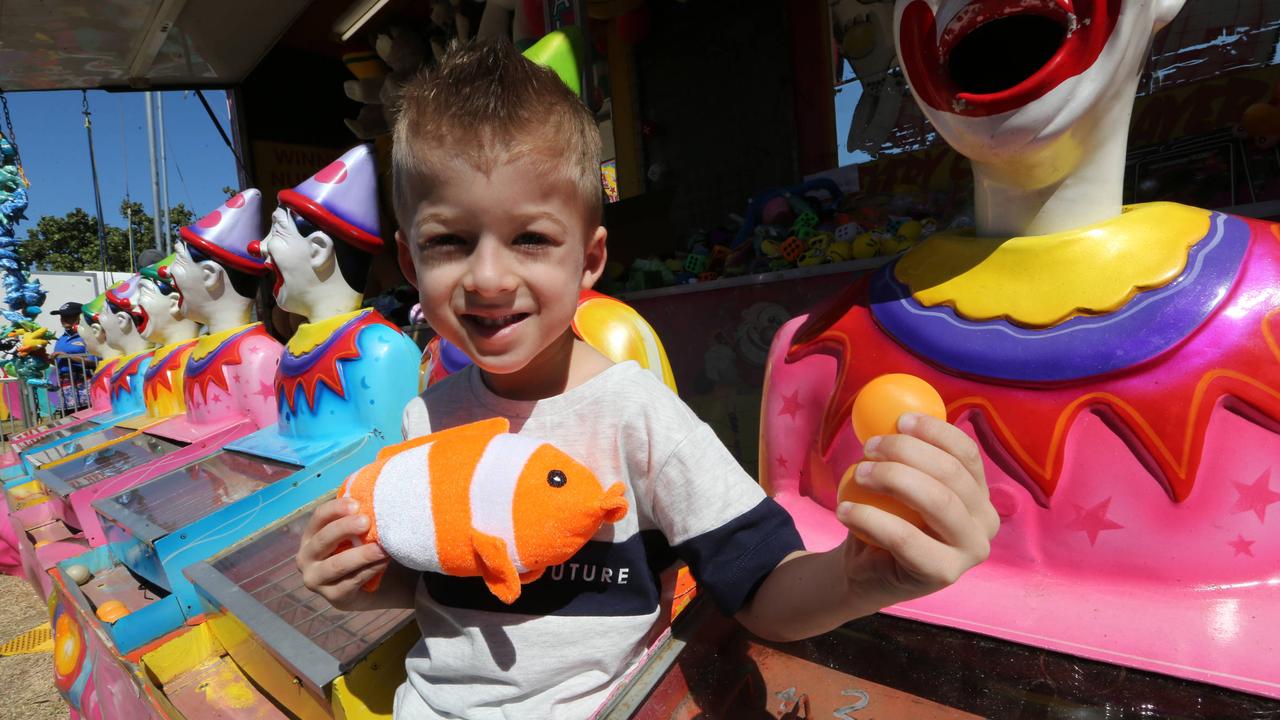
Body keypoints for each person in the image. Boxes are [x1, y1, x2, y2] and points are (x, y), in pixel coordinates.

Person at [296, 39, 999, 719]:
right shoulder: (426, 418)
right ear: (411, 265)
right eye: (449, 241)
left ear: (591, 258)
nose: (487, 277)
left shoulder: (637, 416)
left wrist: (857, 579)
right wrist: (365, 583)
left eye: (531, 238)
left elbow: (761, 584)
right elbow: (442, 582)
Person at [50, 301, 94, 410]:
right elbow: (59, 363)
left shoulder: (88, 335)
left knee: (87, 419)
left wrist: (68, 356)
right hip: (64, 388)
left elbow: (94, 362)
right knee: (70, 421)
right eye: (61, 316)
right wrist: (47, 358)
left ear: (79, 317)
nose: (63, 319)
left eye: (68, 316)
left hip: (84, 387)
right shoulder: (61, 339)